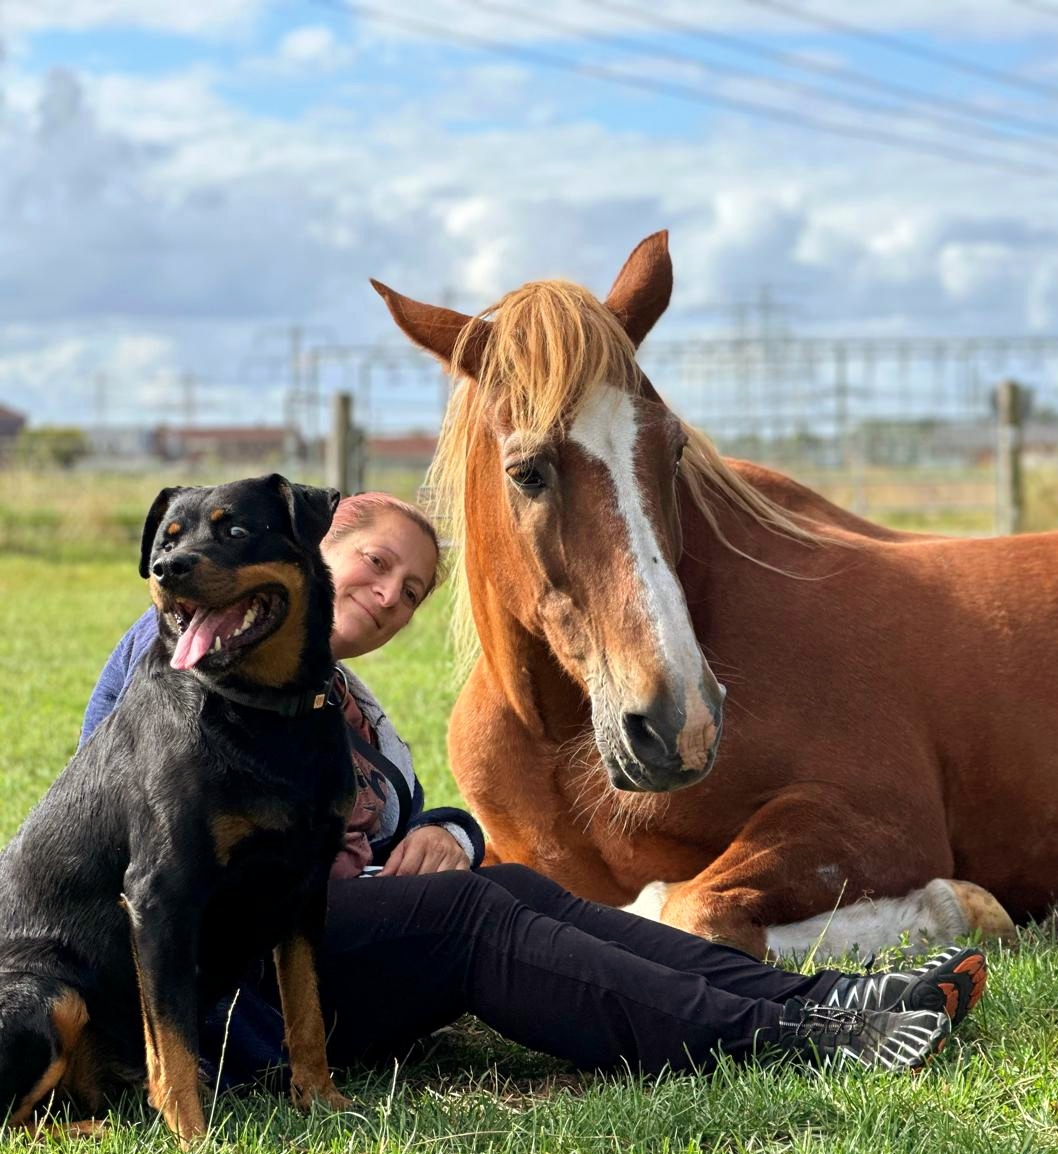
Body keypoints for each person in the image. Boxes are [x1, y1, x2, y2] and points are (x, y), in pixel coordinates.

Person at [80, 491, 985, 1085]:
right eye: (376, 564)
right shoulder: (188, 641)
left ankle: (820, 1000)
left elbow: (364, 823)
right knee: (471, 916)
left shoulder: (345, 707)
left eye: (413, 590)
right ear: (313, 546)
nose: (392, 595)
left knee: (505, 885)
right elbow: (136, 818)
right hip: (237, 973)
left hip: (330, 950)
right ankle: (786, 1043)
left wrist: (450, 831)